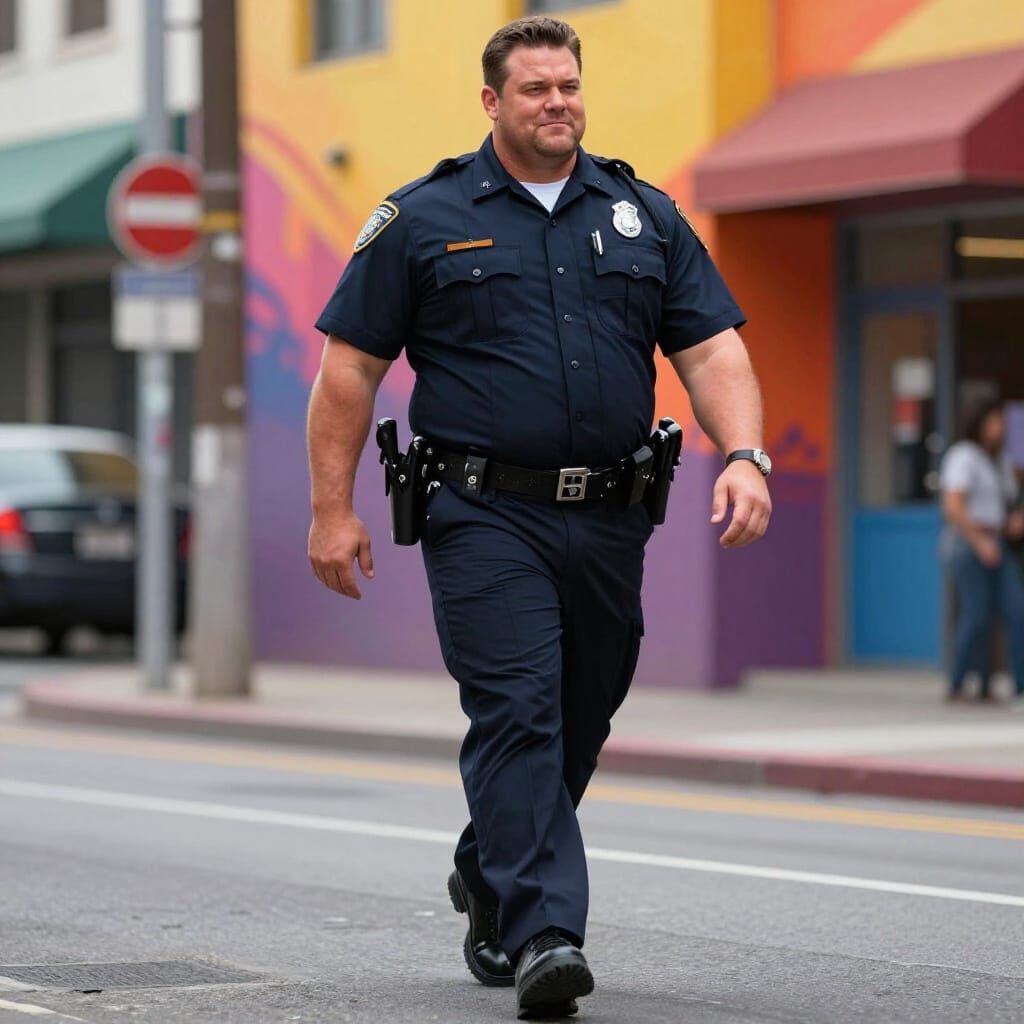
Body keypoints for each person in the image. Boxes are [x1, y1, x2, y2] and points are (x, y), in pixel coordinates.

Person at [306, 16, 771, 1018]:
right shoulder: (422, 218)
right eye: (535, 89)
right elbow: (348, 369)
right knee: (518, 707)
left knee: (578, 716)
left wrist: (745, 455)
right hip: (478, 510)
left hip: (610, 516)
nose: (557, 102)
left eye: (568, 85)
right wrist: (330, 508)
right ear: (491, 102)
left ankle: (489, 865)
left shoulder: (643, 215)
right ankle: (546, 934)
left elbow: (712, 350)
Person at [940, 397, 1024, 706]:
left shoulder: (1000, 462)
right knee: (976, 615)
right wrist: (979, 542)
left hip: (996, 540)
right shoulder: (963, 456)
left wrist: (1011, 523)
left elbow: (1004, 505)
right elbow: (954, 507)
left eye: (1002, 422)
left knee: (1015, 609)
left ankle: (1016, 686)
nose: (1000, 428)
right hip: (967, 543)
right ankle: (959, 683)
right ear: (979, 422)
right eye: (994, 421)